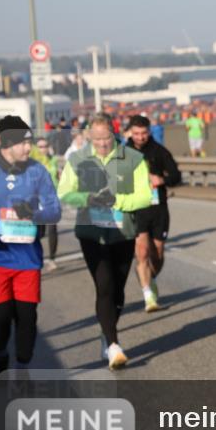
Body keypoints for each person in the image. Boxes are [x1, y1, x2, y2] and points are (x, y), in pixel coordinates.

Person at [0, 116, 61, 377]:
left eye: (29, 142)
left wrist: (35, 213)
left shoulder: (37, 171)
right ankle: (0, 352)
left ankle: (22, 364)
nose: (28, 148)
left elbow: (54, 210)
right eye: (23, 143)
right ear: (6, 143)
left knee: (27, 318)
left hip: (27, 257)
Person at [57, 113, 152, 370]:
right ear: (89, 136)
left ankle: (106, 331)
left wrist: (119, 201)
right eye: (96, 138)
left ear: (115, 133)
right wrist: (87, 199)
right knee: (104, 285)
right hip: (91, 234)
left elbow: (145, 196)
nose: (101, 143)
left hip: (123, 233)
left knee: (118, 290)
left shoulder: (132, 159)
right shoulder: (78, 159)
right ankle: (113, 345)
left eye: (106, 138)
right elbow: (64, 192)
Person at [127, 115, 181, 312]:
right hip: (136, 208)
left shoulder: (159, 151)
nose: (140, 137)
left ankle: (151, 277)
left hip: (158, 209)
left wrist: (162, 179)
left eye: (143, 133)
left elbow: (176, 176)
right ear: (130, 133)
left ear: (149, 132)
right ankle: (148, 296)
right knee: (141, 252)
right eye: (136, 134)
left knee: (157, 253)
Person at [31, 137, 61, 270]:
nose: (43, 149)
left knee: (53, 229)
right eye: (40, 146)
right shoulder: (32, 162)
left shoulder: (53, 161)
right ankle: (37, 256)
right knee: (40, 232)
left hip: (51, 197)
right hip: (37, 198)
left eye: (45, 146)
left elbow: (59, 176)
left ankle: (52, 258)